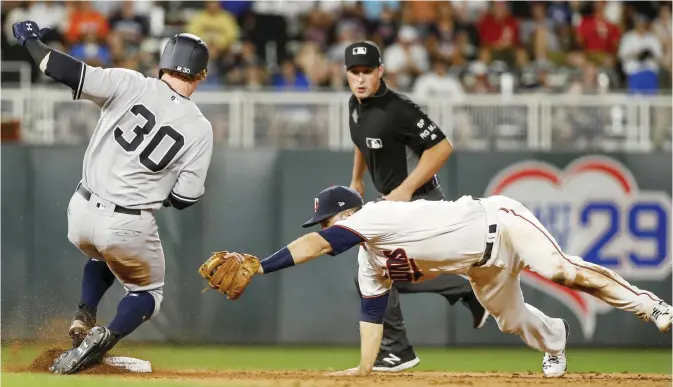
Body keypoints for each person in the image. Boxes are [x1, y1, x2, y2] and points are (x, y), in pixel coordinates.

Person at [247, 185, 672, 377]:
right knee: (510, 321)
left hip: (501, 224)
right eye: (324, 222)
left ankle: (651, 305)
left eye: (328, 219)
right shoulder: (368, 262)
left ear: (347, 214)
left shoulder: (372, 215)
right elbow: (372, 310)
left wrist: (261, 267)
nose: (326, 226)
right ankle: (555, 341)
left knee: (560, 269)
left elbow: (316, 245)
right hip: (479, 267)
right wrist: (363, 368)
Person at [12, 21, 214, 374]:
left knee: (102, 253)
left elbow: (54, 67)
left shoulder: (129, 82)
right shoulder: (199, 128)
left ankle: (84, 314)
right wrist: (156, 188)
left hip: (81, 211)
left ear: (161, 64)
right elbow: (185, 198)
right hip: (126, 222)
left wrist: (30, 39)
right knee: (148, 292)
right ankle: (102, 339)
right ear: (203, 75)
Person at [344, 39, 488, 371]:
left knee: (375, 271)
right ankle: (463, 289)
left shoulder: (399, 108)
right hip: (394, 204)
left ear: (381, 71)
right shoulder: (355, 104)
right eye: (355, 72)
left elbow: (441, 147)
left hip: (419, 200)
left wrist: (406, 189)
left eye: (368, 71)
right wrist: (357, 178)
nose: (361, 78)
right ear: (347, 74)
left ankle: (398, 350)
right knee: (396, 276)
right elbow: (360, 141)